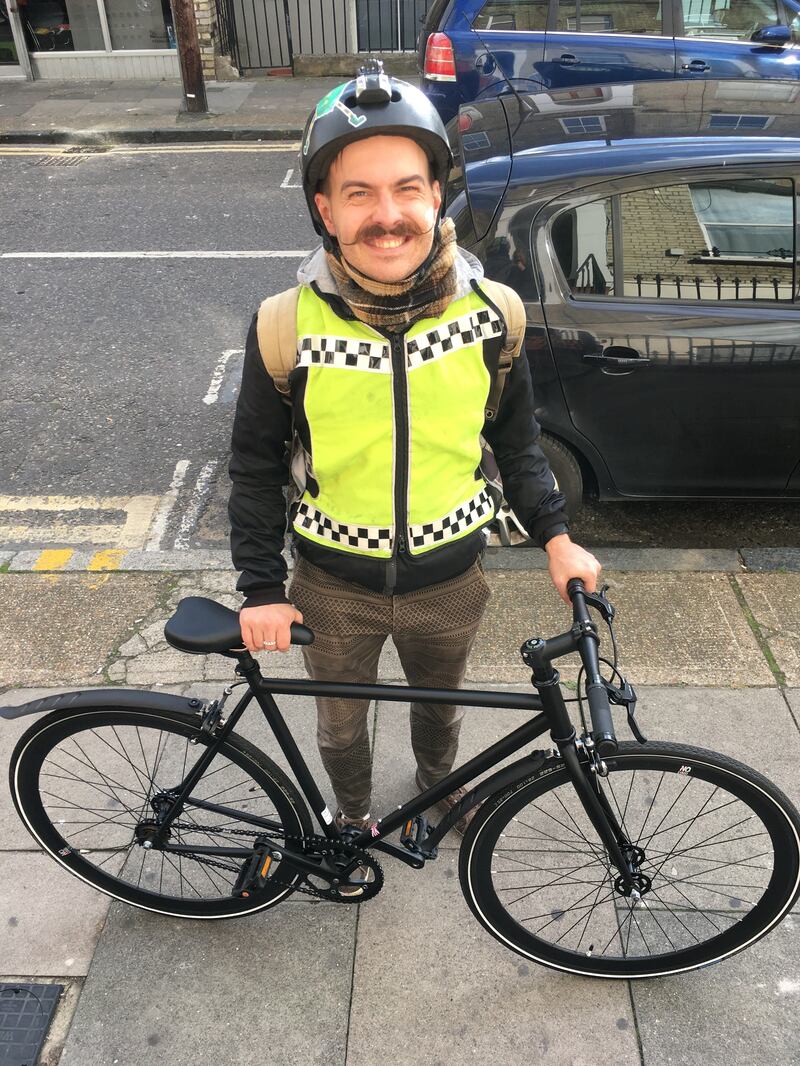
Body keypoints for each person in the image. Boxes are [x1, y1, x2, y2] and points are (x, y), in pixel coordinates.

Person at [228, 62, 601, 836]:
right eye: (357, 194)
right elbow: (256, 470)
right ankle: (354, 817)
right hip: (331, 586)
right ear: (324, 210)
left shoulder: (495, 315)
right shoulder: (281, 327)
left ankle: (442, 795)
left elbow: (519, 443)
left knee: (441, 714)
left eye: (406, 189)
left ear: (436, 197)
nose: (386, 215)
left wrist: (559, 539)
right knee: (340, 730)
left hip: (451, 577)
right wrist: (262, 588)